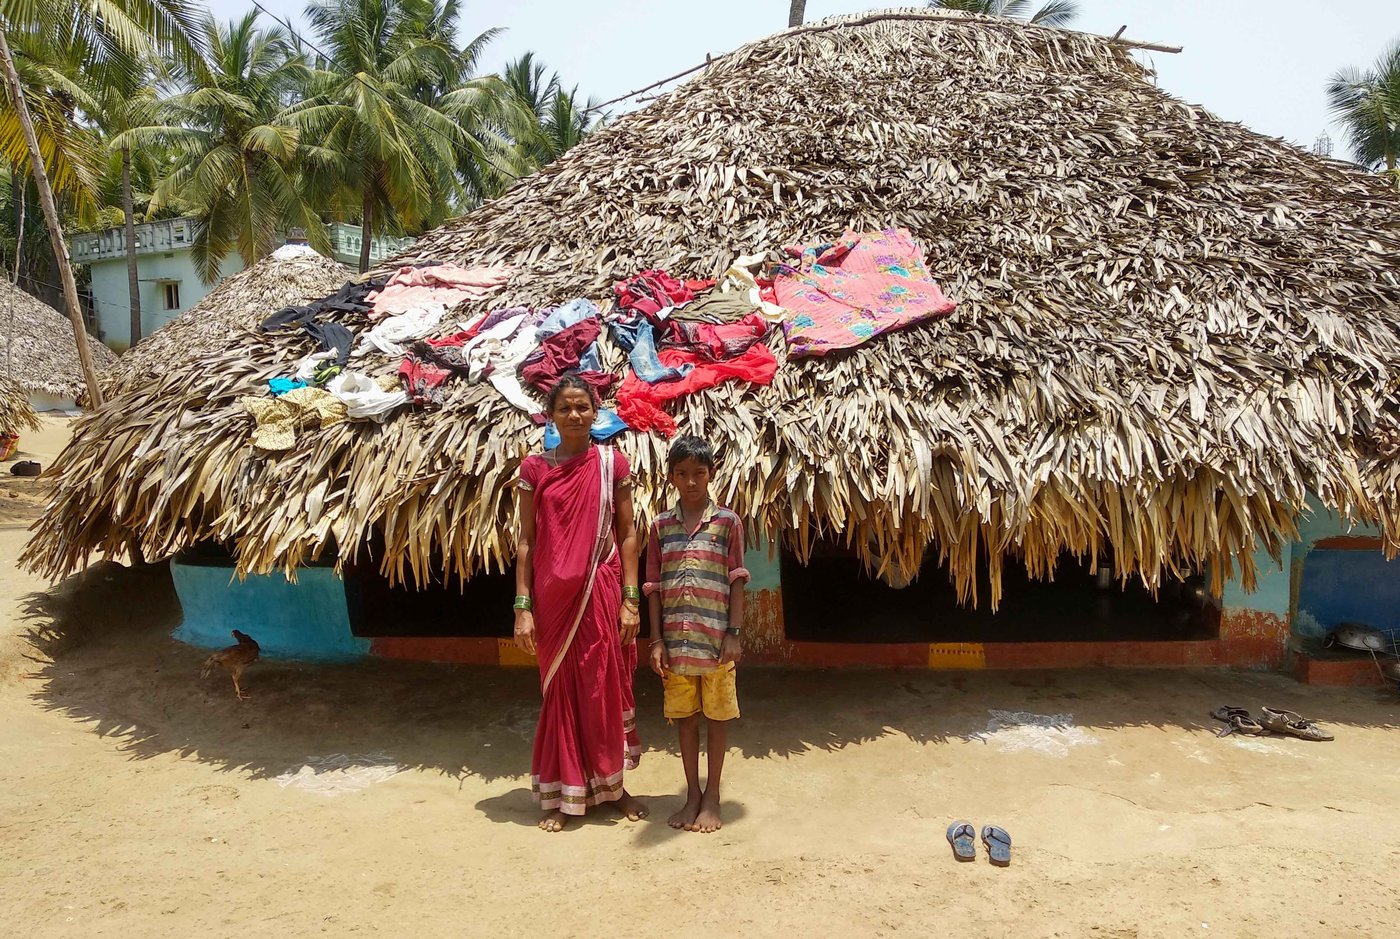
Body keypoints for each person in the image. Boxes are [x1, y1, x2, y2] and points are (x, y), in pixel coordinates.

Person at [514, 374, 646, 832]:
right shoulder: (534, 469)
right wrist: (523, 607)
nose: (574, 415)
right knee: (561, 693)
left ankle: (612, 787)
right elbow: (527, 542)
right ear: (550, 415)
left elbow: (628, 533)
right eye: (564, 408)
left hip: (603, 591)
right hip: (552, 602)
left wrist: (631, 599)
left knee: (601, 687)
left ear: (596, 411)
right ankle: (561, 792)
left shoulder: (613, 464)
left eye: (582, 407)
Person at [645, 435, 748, 833]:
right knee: (685, 719)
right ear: (671, 477)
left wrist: (734, 633)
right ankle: (691, 794)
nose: (691, 482)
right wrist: (656, 640)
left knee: (717, 718)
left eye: (698, 474)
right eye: (683, 474)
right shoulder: (660, 526)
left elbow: (737, 579)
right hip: (675, 643)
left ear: (711, 475)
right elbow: (653, 586)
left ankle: (713, 796)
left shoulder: (727, 523)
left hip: (716, 641)